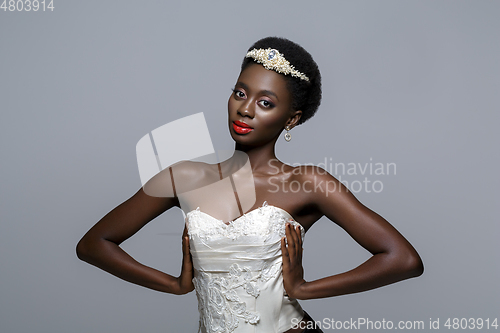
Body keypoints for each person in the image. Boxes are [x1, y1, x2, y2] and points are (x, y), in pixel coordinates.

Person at [76, 36, 424, 333]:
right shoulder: (182, 177)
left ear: (291, 119)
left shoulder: (306, 182)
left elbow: (403, 259)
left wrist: (305, 289)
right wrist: (174, 284)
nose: (245, 110)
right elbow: (94, 244)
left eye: (266, 103)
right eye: (240, 93)